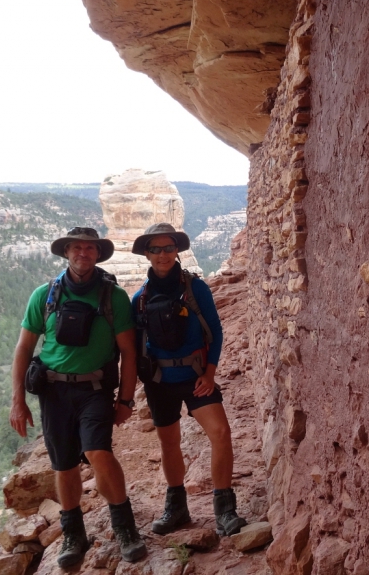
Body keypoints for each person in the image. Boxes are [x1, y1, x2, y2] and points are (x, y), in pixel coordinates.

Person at [9, 227, 146, 567]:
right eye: (77, 248)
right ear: (66, 252)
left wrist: (126, 400)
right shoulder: (45, 295)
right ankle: (73, 534)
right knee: (64, 463)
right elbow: (24, 348)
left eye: (90, 248)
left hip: (94, 390)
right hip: (53, 391)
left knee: (97, 451)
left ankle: (125, 527)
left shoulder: (112, 297)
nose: (83, 253)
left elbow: (129, 352)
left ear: (98, 254)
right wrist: (17, 400)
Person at [131, 223, 248, 536]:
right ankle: (177, 508)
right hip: (160, 381)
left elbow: (216, 331)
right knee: (169, 443)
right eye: (155, 249)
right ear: (147, 254)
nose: (163, 254)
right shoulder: (139, 299)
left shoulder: (196, 288)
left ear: (177, 251)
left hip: (196, 377)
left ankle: (225, 510)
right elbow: (132, 347)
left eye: (168, 248)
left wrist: (210, 374)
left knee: (220, 433)